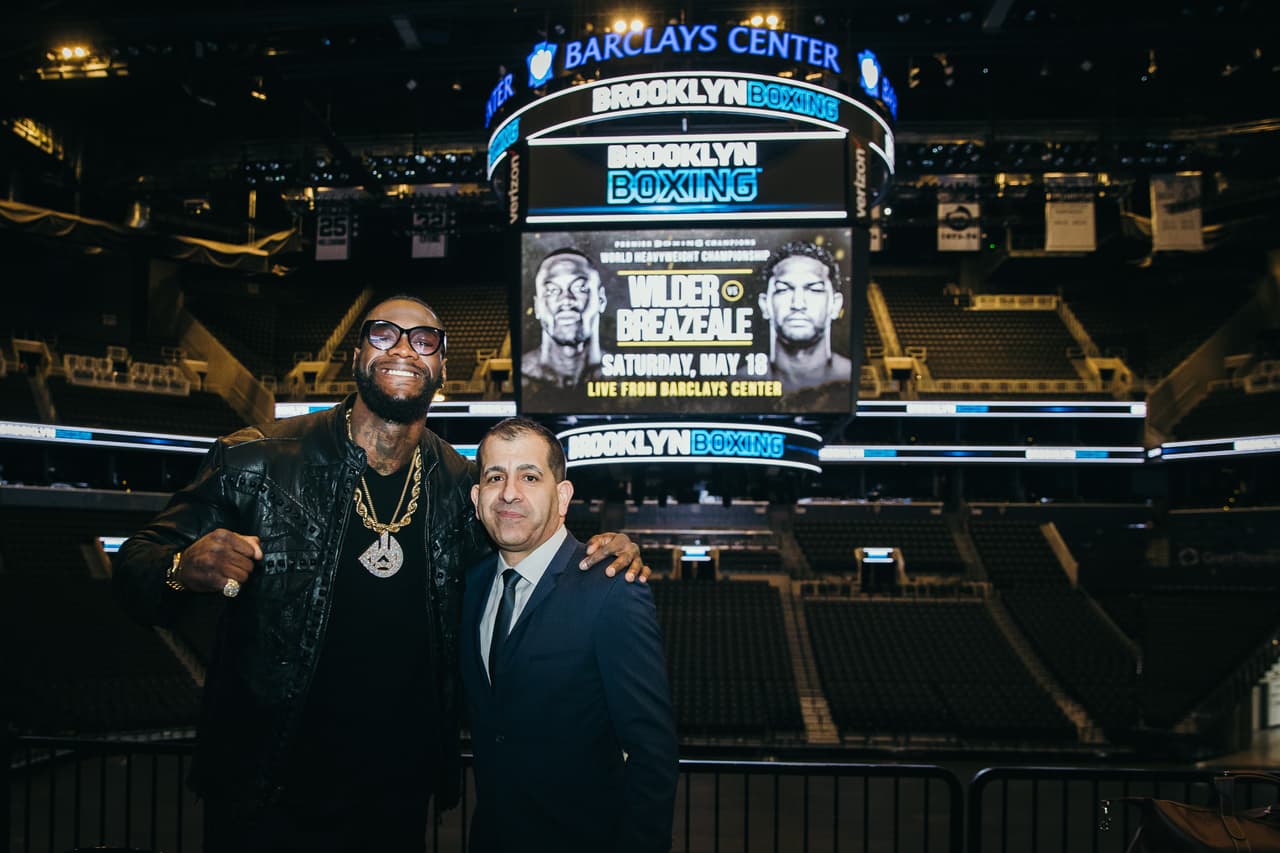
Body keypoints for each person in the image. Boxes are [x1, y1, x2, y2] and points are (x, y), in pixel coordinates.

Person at [112, 295, 647, 853]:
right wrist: (180, 568)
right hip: (265, 795)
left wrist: (600, 551)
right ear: (356, 355)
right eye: (384, 334)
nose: (404, 350)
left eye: (424, 341)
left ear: (441, 368)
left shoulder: (461, 488)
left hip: (395, 801)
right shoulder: (255, 461)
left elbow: (532, 540)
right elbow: (135, 569)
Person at [462, 417, 678, 853]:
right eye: (495, 477)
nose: (509, 493)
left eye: (529, 476)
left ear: (562, 497)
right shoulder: (471, 584)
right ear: (477, 498)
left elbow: (652, 753)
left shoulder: (612, 588)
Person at [756, 240, 852, 390]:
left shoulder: (850, 377)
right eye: (783, 289)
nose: (798, 304)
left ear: (835, 304)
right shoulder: (737, 382)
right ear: (764, 305)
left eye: (814, 289)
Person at [521, 248, 608, 389]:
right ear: (537, 307)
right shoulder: (521, 379)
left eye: (580, 288)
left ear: (601, 300)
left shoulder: (625, 380)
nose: (566, 300)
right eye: (551, 291)